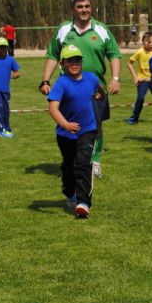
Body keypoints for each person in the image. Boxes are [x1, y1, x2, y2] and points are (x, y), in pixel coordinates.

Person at [40, 0, 122, 179]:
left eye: (87, 6)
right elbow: (52, 55)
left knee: (96, 127)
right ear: (73, 9)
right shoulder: (63, 29)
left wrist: (115, 79)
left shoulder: (101, 29)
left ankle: (96, 162)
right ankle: (73, 160)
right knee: (70, 126)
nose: (84, 10)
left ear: (91, 8)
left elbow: (114, 55)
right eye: (80, 7)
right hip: (69, 91)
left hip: (95, 89)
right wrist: (45, 80)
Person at [47, 45, 106, 218]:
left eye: (78, 60)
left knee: (83, 164)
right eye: (70, 60)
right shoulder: (61, 83)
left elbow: (100, 88)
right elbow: (53, 108)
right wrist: (65, 124)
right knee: (68, 166)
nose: (75, 63)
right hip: (65, 134)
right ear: (62, 64)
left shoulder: (91, 78)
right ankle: (70, 192)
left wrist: (100, 94)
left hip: (88, 129)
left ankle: (83, 203)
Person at [125, 32, 152, 124]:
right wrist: (135, 77)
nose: (149, 43)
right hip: (142, 79)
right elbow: (129, 63)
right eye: (147, 41)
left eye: (151, 41)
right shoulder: (140, 52)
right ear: (143, 42)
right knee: (140, 98)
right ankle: (134, 118)